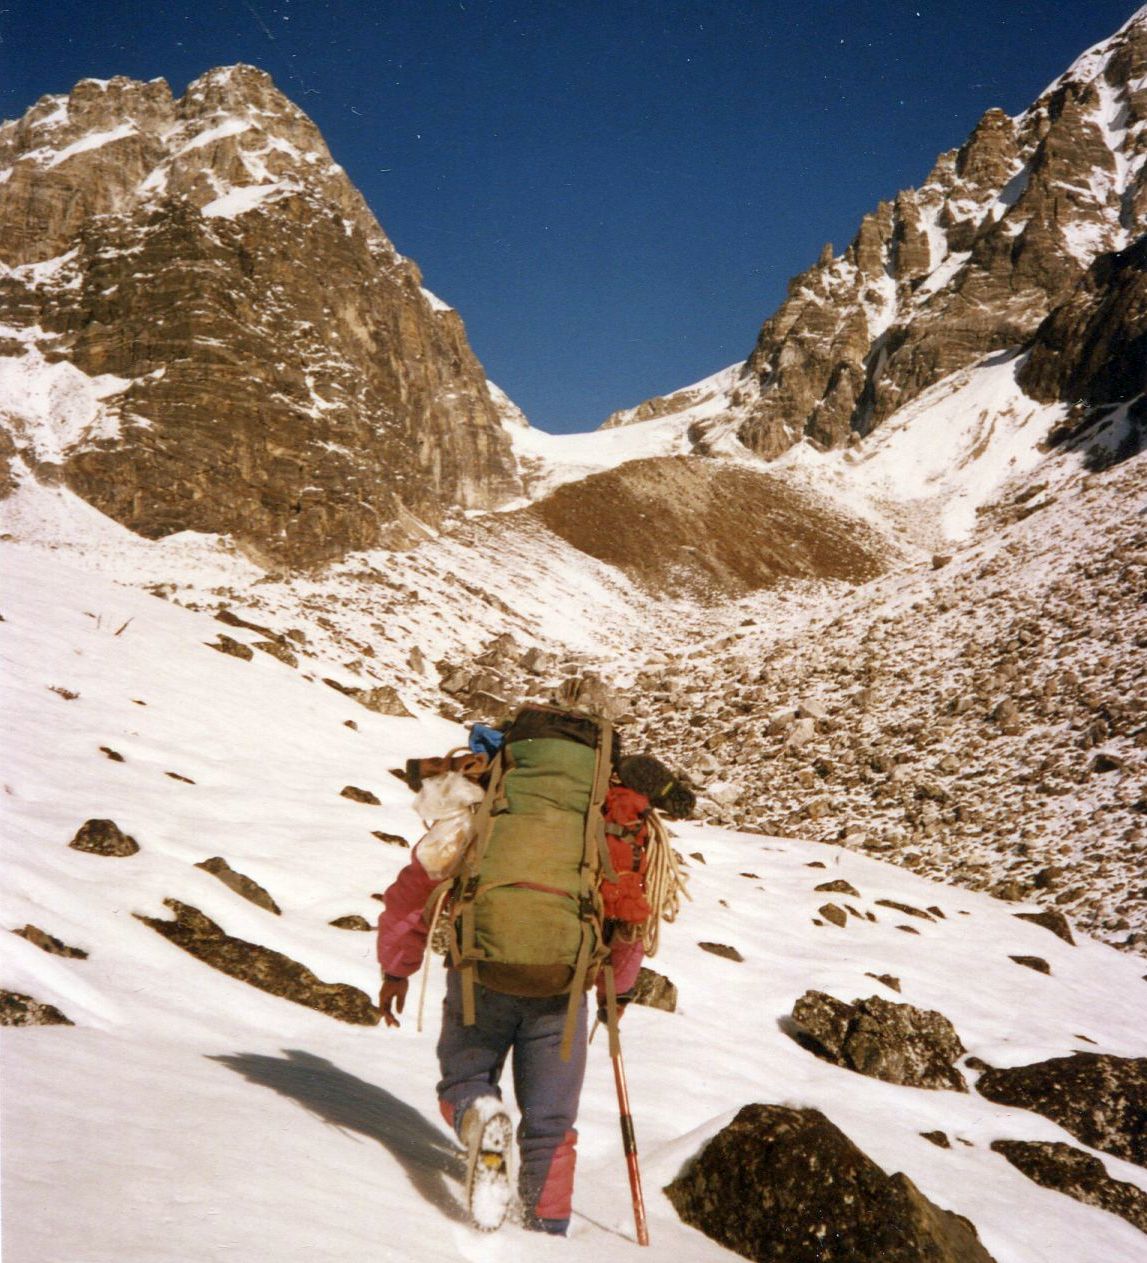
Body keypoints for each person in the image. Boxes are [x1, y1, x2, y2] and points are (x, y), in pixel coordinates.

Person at [375, 682, 655, 1236]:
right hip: (564, 983)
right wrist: (616, 992)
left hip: (481, 970)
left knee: (465, 1078)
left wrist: (396, 968)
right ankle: (547, 1234)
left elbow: (413, 890)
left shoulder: (491, 803)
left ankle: (479, 1112)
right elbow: (629, 917)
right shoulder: (608, 820)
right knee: (552, 1124)